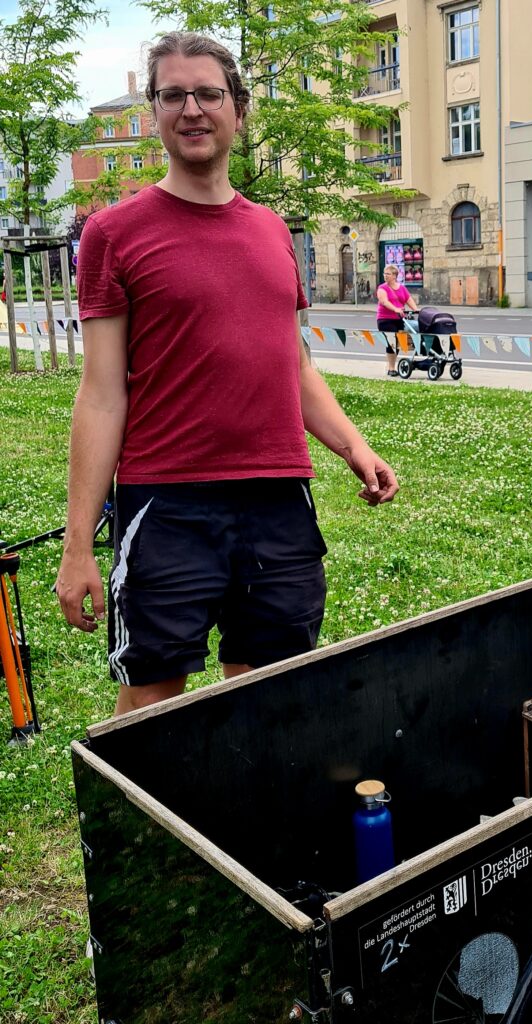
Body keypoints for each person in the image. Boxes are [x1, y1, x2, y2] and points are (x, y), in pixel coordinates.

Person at [55, 31, 398, 717]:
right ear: (154, 112)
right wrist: (77, 547)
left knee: (270, 690)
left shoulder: (273, 230)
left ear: (239, 110)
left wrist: (353, 446)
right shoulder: (113, 233)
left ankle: (249, 823)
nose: (192, 109)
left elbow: (291, 361)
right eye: (173, 95)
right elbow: (99, 394)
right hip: (167, 504)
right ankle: (137, 828)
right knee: (153, 701)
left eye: (208, 93)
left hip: (278, 499)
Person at [376, 264, 418, 376]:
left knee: (398, 343)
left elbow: (409, 299)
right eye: (384, 273)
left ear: (395, 276)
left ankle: (391, 365)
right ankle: (391, 368)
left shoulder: (402, 288)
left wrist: (417, 310)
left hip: (400, 319)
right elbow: (384, 301)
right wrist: (396, 309)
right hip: (385, 320)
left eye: (388, 274)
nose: (385, 276)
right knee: (391, 342)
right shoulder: (382, 288)